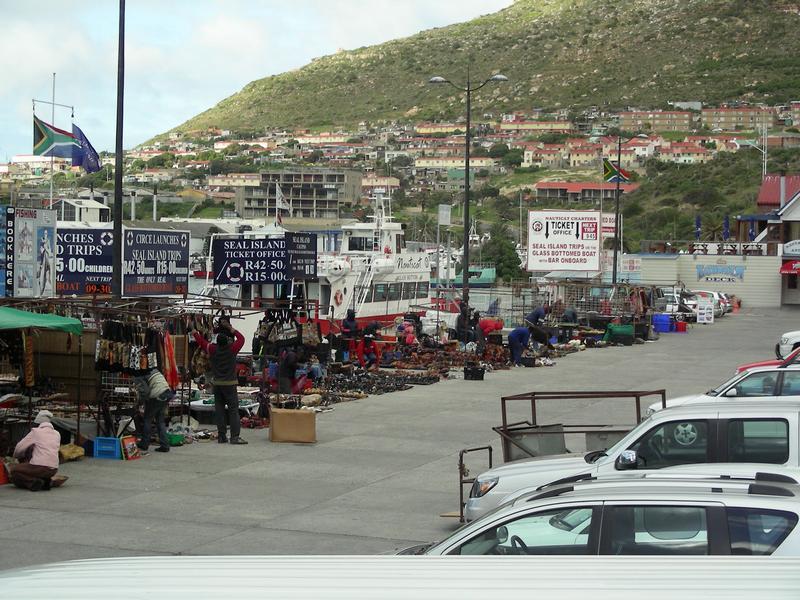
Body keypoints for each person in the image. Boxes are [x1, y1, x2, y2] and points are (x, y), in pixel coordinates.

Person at [193, 319, 247, 445]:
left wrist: (194, 331)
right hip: (230, 384)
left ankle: (222, 436)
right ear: (227, 341)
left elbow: (201, 342)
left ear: (217, 342)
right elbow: (242, 339)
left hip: (217, 384)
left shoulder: (212, 349)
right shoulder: (232, 349)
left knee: (220, 410)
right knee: (233, 410)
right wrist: (230, 328)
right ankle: (234, 437)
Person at [9, 410, 61, 491]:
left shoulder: (36, 432)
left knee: (14, 470)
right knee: (33, 457)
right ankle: (45, 481)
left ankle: (33, 482)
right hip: (53, 469)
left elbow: (19, 447)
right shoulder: (57, 434)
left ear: (38, 423)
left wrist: (16, 457)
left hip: (39, 467)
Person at [134, 368, 174, 454]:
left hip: (157, 395)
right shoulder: (153, 368)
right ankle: (165, 445)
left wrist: (139, 403)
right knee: (160, 421)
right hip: (166, 393)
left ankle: (144, 444)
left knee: (147, 419)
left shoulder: (138, 374)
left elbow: (145, 392)